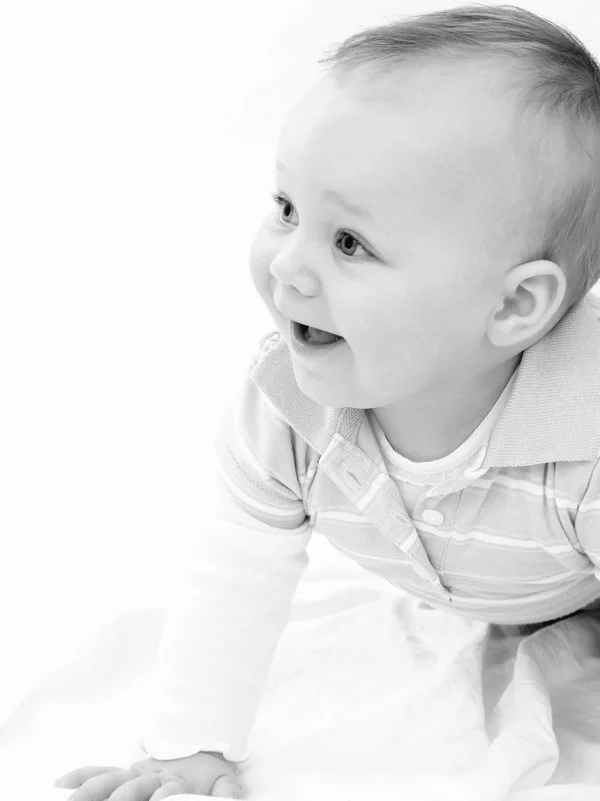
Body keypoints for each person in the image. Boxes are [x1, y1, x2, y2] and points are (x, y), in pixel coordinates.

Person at [54, 4, 600, 799]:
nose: (288, 269)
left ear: (515, 309)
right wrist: (189, 745)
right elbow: (235, 564)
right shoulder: (288, 402)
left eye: (350, 243)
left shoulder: (584, 434)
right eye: (285, 210)